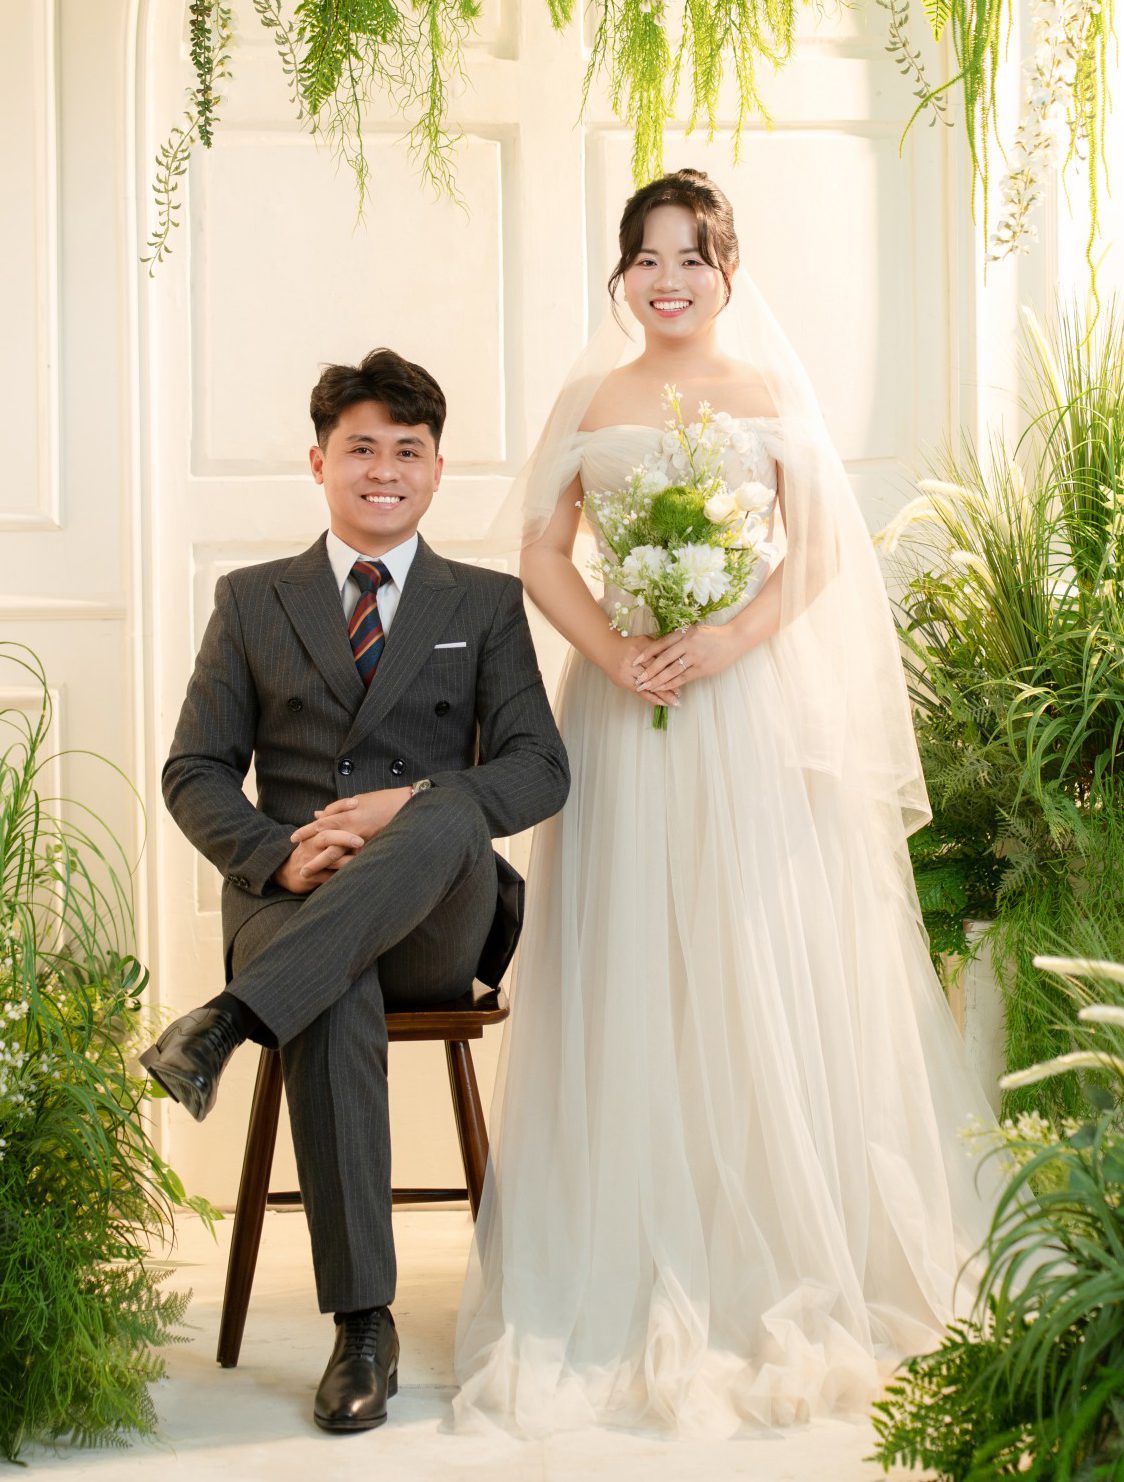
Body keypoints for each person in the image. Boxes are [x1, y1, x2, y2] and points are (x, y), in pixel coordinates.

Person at [454, 170, 1002, 1437]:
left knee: (754, 951)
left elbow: (820, 547)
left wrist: (727, 638)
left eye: (689, 258)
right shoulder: (590, 399)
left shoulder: (763, 393)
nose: (667, 280)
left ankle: (770, 1242)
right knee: (634, 959)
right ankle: (630, 1238)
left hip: (745, 708)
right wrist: (613, 651)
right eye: (645, 259)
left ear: (727, 272)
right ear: (621, 275)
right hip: (622, 710)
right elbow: (539, 550)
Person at [142, 348, 569, 1433]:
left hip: (436, 920)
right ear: (319, 462)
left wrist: (404, 806)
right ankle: (362, 1327)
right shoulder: (252, 600)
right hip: (292, 899)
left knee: (448, 808)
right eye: (361, 449)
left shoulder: (486, 602)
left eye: (406, 451)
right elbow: (193, 771)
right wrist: (278, 855)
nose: (384, 471)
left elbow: (539, 768)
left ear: (436, 469)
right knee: (329, 990)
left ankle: (229, 1021)